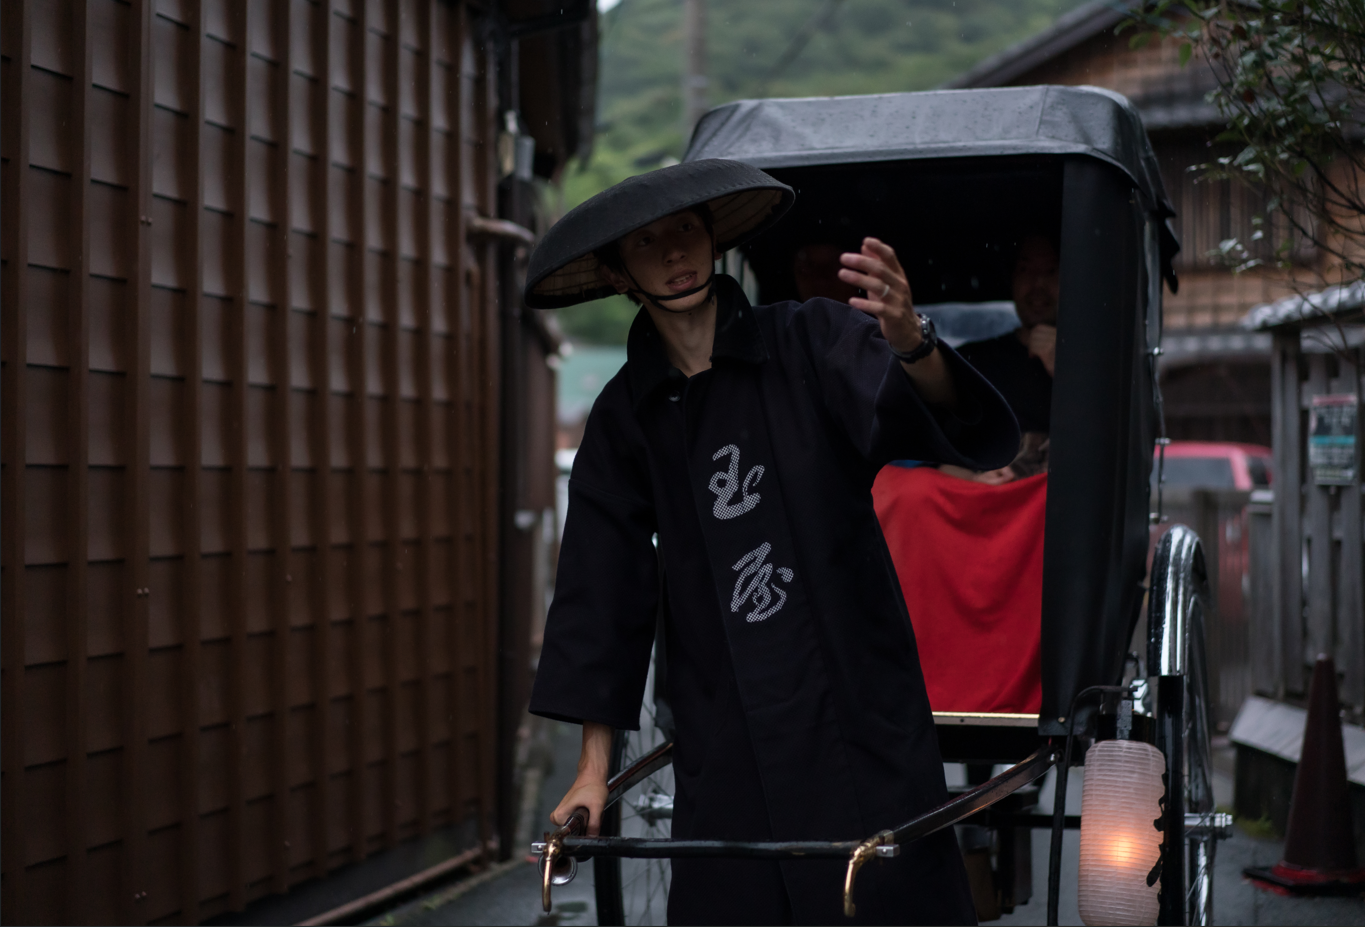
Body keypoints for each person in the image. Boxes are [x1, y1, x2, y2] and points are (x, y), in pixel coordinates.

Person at [523, 159, 1019, 925]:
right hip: (724, 720)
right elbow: (602, 592)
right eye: (646, 242)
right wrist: (593, 770)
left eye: (686, 228)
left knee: (885, 895)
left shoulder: (810, 339)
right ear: (620, 272)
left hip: (856, 696)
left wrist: (912, 343)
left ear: (713, 236)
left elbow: (928, 418)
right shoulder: (625, 416)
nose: (674, 251)